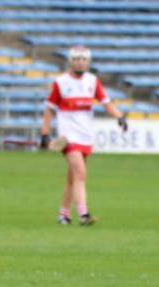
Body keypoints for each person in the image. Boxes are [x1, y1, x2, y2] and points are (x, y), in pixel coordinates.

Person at [41, 45, 128, 226]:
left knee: (73, 177)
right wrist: (45, 133)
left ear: (88, 62)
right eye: (76, 59)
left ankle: (63, 214)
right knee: (80, 172)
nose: (80, 63)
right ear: (70, 61)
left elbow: (106, 102)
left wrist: (119, 117)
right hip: (68, 136)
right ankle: (83, 214)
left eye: (83, 60)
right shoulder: (61, 82)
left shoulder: (92, 81)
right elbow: (49, 110)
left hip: (85, 135)